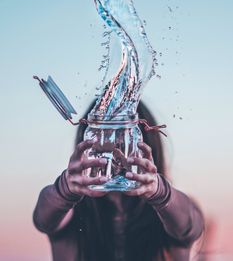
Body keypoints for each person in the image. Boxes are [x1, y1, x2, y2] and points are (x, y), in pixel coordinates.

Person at [33, 101, 204, 261]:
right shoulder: (74, 215)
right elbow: (43, 218)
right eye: (104, 138)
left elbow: (189, 227)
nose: (114, 154)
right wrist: (64, 189)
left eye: (123, 142)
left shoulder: (170, 216)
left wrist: (160, 192)